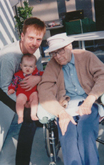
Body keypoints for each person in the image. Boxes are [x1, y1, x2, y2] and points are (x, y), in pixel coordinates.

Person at [38, 33, 104, 165]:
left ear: (69, 46)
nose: (57, 56)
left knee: (85, 131)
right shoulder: (52, 65)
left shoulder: (86, 56)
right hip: (66, 106)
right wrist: (60, 112)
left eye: (60, 51)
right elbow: (44, 88)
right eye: (53, 53)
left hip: (89, 101)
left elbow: (102, 75)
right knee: (67, 134)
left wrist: (90, 99)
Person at [0, 17, 46, 165]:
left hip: (23, 79)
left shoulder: (35, 49)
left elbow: (40, 72)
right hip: (3, 88)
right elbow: (4, 86)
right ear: (22, 36)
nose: (35, 43)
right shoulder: (9, 57)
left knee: (43, 100)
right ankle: (22, 162)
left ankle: (40, 118)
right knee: (28, 116)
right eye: (31, 38)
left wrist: (38, 79)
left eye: (38, 39)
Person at [8, 54, 43, 124]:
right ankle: (20, 116)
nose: (28, 68)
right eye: (25, 66)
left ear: (34, 67)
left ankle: (33, 114)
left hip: (33, 92)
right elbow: (13, 82)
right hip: (22, 92)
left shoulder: (36, 73)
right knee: (19, 102)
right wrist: (11, 88)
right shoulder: (18, 75)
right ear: (21, 66)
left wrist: (41, 77)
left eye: (31, 66)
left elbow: (44, 74)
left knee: (35, 100)